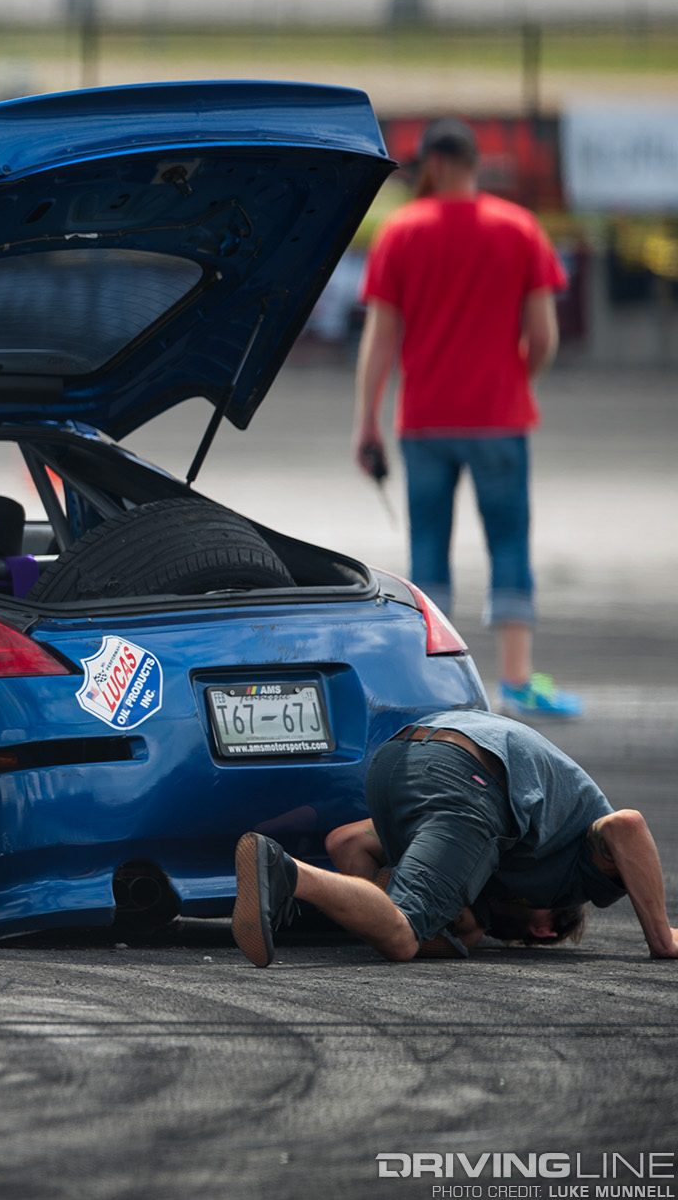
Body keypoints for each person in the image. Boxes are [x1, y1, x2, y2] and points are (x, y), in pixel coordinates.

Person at [352, 117, 579, 718]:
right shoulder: (519, 228)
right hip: (500, 417)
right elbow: (544, 335)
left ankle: (433, 686)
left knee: (428, 546)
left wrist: (367, 421)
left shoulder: (401, 233)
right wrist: (516, 378)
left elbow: (379, 340)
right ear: (473, 164)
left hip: (425, 420)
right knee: (509, 540)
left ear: (433, 165)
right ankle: (517, 679)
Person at [232, 710, 678, 967]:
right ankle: (285, 871)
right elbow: (627, 825)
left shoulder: (513, 853)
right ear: (543, 928)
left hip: (397, 758)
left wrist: (375, 918)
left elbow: (347, 843)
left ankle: (376, 910)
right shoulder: (574, 881)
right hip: (472, 777)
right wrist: (663, 938)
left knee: (397, 925)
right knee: (404, 937)